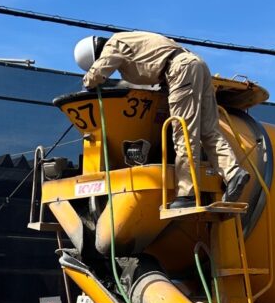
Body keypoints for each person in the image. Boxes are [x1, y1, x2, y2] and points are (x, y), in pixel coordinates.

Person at [75, 31, 246, 210]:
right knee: (209, 130)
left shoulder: (114, 44)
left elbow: (98, 73)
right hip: (197, 65)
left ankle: (187, 193)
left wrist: (87, 84)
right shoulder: (132, 39)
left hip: (180, 70)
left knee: (183, 132)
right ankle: (234, 173)